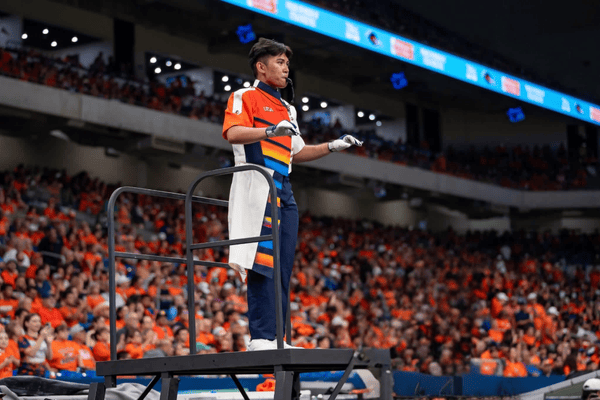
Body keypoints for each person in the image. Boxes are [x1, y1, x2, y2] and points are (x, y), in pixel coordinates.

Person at [222, 37, 362, 351]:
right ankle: (261, 338)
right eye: (280, 62)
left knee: (283, 267)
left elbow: (296, 152)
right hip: (257, 185)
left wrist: (332, 146)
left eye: (287, 63)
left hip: (285, 189)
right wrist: (270, 131)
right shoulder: (243, 96)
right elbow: (233, 133)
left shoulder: (288, 108)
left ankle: (279, 339)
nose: (286, 68)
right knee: (263, 264)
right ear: (261, 67)